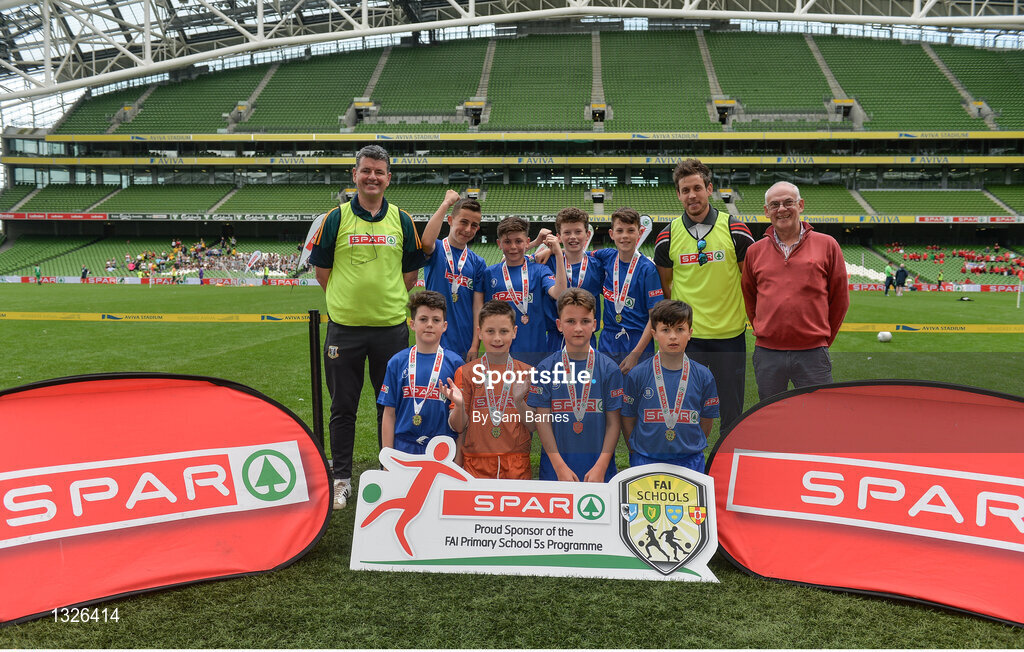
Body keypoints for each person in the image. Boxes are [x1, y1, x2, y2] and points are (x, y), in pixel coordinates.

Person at [308, 144, 428, 510]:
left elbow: (410, 274)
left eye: (379, 172)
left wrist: (383, 302)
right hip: (344, 329)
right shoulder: (334, 218)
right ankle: (341, 479)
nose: (372, 177)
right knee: (343, 406)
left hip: (391, 329)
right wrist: (348, 303)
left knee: (390, 406)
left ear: (389, 178)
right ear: (355, 175)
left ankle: (388, 474)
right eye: (366, 171)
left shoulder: (403, 220)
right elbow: (322, 271)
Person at [653, 158, 755, 433]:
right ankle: (689, 465)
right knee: (686, 409)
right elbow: (667, 287)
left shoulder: (736, 230)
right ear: (678, 194)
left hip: (729, 336)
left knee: (731, 412)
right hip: (690, 339)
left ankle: (727, 463)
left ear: (709, 189)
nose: (692, 195)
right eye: (685, 190)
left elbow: (752, 281)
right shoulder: (667, 236)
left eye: (697, 188)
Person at [741, 182, 850, 402]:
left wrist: (820, 339)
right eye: (774, 205)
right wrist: (767, 330)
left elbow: (839, 300)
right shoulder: (754, 251)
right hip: (768, 354)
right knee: (772, 418)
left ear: (800, 205)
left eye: (788, 202)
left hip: (813, 353)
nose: (781, 209)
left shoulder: (828, 245)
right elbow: (750, 297)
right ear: (766, 211)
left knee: (819, 417)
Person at [526, 288, 623, 483]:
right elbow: (542, 421)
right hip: (556, 471)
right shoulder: (546, 368)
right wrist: (559, 467)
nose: (578, 328)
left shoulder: (609, 369)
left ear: (595, 324)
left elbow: (614, 423)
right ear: (559, 325)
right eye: (571, 321)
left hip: (599, 471)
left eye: (585, 321)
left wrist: (601, 466)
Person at [622, 300, 719, 473]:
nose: (673, 336)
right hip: (645, 460)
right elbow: (628, 420)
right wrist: (636, 451)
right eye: (665, 330)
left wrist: (690, 447)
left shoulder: (704, 376)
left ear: (690, 333)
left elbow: (706, 422)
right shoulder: (637, 375)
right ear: (654, 334)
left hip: (690, 461)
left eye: (679, 329)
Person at [444, 301, 534, 480]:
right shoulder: (466, 372)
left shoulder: (527, 373)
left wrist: (519, 402)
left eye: (504, 331)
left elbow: (533, 425)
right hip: (476, 466)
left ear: (514, 332)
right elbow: (458, 426)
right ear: (479, 333)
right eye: (490, 331)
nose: (497, 338)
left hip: (517, 465)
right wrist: (460, 406)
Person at [378, 291, 464, 459]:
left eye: (436, 320)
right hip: (403, 448)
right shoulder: (397, 362)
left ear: (444, 326)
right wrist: (387, 459)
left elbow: (462, 422)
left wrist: (458, 462)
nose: (429, 324)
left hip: (443, 449)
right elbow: (389, 414)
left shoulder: (455, 364)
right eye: (423, 319)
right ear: (412, 324)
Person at [477, 216, 566, 366]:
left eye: (518, 241)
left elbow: (559, 294)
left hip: (535, 353)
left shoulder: (539, 270)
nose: (513, 247)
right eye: (507, 242)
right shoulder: (489, 274)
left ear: (526, 242)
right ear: (499, 244)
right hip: (500, 354)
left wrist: (557, 254)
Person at [594, 207, 663, 373]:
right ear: (612, 234)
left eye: (630, 230)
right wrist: (552, 251)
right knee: (608, 393)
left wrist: (635, 354)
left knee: (635, 395)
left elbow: (654, 317)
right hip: (608, 340)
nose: (625, 236)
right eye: (620, 231)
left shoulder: (647, 269)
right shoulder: (606, 256)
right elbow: (577, 255)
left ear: (639, 233)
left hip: (637, 342)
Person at [419, 190, 485, 360]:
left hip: (464, 343)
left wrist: (475, 345)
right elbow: (426, 242)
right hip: (434, 339)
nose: (468, 229)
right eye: (463, 222)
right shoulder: (437, 249)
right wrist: (446, 203)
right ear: (450, 220)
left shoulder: (477, 262)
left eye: (474, 225)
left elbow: (478, 307)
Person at [541, 207, 604, 353]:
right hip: (555, 340)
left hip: (587, 339)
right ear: (558, 236)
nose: (573, 237)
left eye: (578, 232)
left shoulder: (598, 266)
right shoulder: (546, 262)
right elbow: (514, 259)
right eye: (567, 232)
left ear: (587, 235)